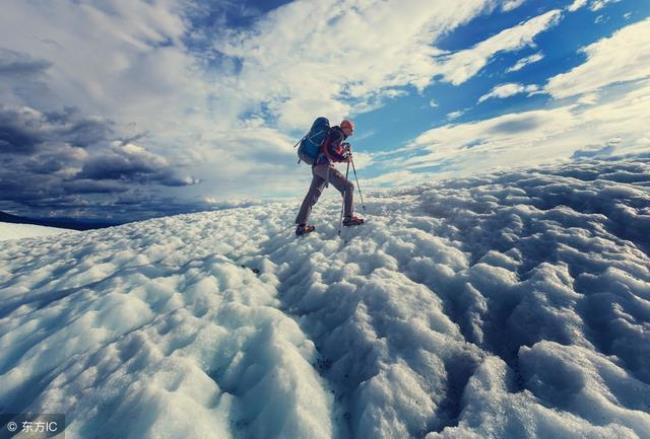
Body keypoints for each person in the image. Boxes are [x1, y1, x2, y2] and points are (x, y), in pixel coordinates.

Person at [295, 119, 364, 236]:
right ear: (345, 128)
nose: (352, 133)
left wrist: (343, 149)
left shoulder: (332, 134)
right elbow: (329, 149)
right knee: (348, 187)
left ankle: (301, 226)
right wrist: (343, 159)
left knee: (312, 195)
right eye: (351, 130)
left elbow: (330, 147)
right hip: (324, 166)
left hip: (317, 167)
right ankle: (348, 217)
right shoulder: (338, 134)